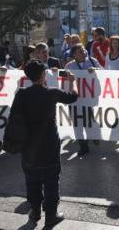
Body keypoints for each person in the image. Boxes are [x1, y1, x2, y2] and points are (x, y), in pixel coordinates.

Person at [10, 60, 78, 227]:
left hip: (28, 143)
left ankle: (35, 211)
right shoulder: (51, 93)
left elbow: (15, 116)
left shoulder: (21, 93)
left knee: (31, 178)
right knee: (51, 180)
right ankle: (51, 216)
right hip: (48, 142)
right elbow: (73, 97)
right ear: (42, 75)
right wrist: (73, 82)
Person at [65, 43, 101, 156]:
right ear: (74, 55)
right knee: (77, 124)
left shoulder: (93, 61)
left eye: (84, 50)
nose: (84, 52)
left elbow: (103, 73)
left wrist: (95, 70)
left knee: (90, 120)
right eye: (80, 51)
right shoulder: (69, 66)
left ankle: (94, 135)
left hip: (88, 99)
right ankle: (83, 146)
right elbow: (64, 81)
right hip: (75, 99)